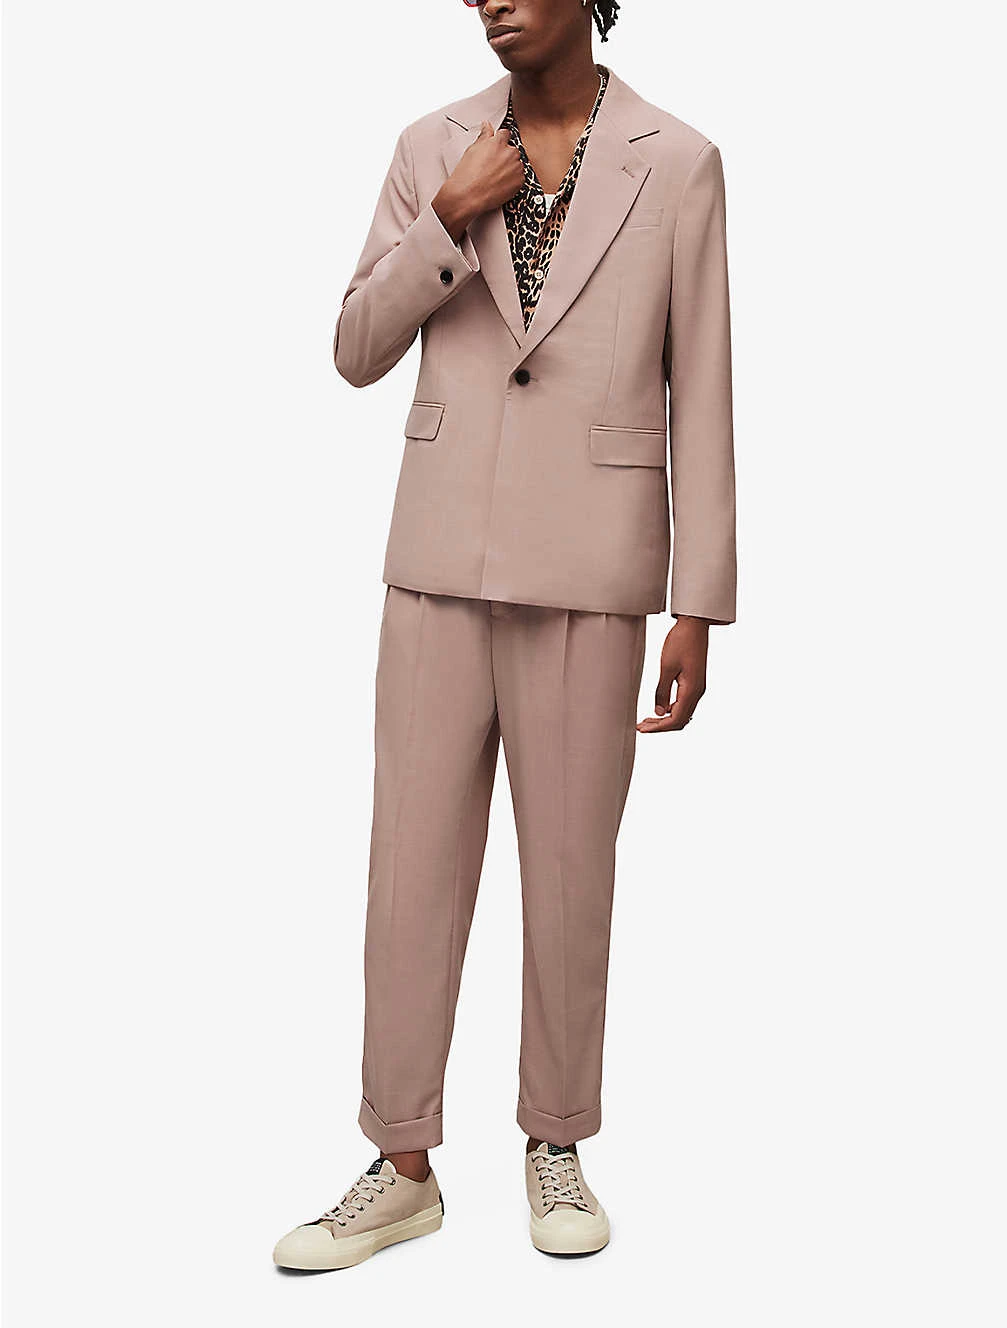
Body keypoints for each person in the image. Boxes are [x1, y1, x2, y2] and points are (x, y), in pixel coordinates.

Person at [274, 0, 735, 1269]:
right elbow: (354, 347)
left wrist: (700, 596)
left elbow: (702, 382)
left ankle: (556, 1139)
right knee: (408, 871)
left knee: (573, 875)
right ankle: (402, 1160)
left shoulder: (680, 161)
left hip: (593, 563)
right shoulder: (431, 146)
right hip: (437, 558)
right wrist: (447, 218)